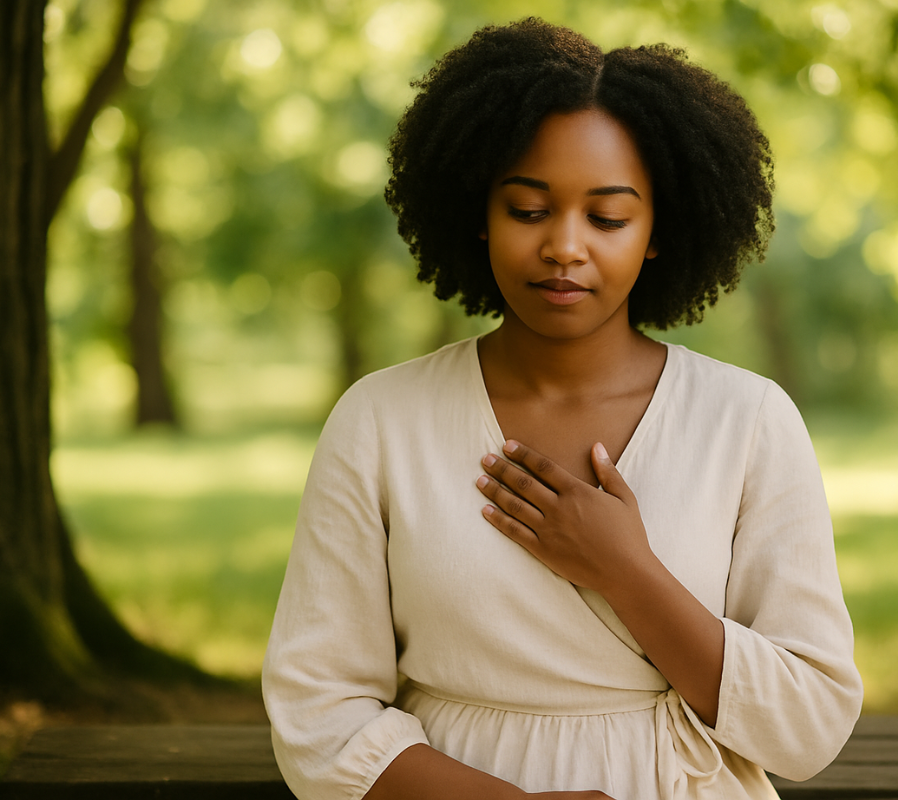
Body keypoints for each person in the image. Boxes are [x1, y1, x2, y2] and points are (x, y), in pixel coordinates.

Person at [262, 18, 863, 800]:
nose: (565, 248)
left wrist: (626, 572)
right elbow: (318, 714)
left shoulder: (747, 421)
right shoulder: (381, 420)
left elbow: (810, 725)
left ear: (657, 231)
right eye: (527, 210)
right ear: (479, 216)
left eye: (607, 218)